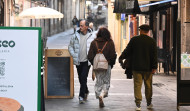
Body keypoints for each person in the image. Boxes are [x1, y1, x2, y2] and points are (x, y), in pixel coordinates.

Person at [119, 24, 157, 111]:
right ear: (148, 31)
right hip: (148, 68)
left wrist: (121, 57)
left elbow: (127, 51)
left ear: (140, 30)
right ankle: (148, 103)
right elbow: (154, 55)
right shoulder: (152, 41)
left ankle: (138, 104)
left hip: (136, 67)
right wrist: (154, 67)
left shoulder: (134, 40)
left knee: (137, 85)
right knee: (148, 85)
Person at [88, 27, 117, 107]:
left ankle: (99, 94)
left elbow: (89, 56)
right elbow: (113, 55)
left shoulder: (94, 42)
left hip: (97, 66)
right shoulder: (110, 42)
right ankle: (102, 94)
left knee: (99, 82)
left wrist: (94, 63)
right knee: (106, 82)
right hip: (107, 65)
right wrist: (111, 63)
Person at [68, 20, 94, 104]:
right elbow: (70, 46)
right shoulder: (75, 35)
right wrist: (73, 54)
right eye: (80, 25)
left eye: (82, 26)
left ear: (86, 27)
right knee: (80, 78)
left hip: (87, 61)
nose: (80, 27)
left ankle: (81, 96)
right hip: (78, 61)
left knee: (83, 77)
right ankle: (86, 90)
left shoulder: (92, 36)